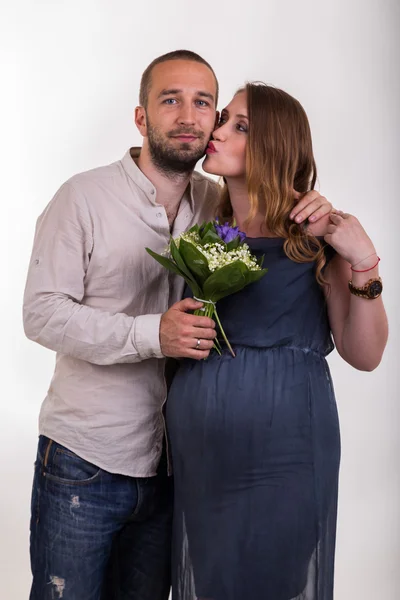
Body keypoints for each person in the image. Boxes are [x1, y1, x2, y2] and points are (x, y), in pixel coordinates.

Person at [23, 50, 332, 600]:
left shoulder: (218, 204)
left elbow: (280, 205)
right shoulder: (84, 197)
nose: (189, 116)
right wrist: (151, 335)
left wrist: (315, 206)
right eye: (171, 100)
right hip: (88, 461)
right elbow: (42, 312)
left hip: (177, 471)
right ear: (141, 118)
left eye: (203, 103)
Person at [166, 83, 388, 600]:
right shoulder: (207, 230)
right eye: (224, 119)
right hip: (203, 457)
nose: (216, 131)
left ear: (275, 145)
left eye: (239, 126)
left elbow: (366, 354)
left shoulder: (314, 237)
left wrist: (364, 261)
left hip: (285, 452)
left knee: (276, 581)